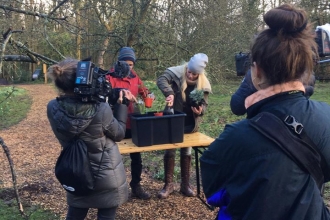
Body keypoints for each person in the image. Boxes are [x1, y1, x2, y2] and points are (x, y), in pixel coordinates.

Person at [200, 4, 330, 219]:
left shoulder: (234, 138)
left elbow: (213, 194)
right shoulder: (326, 116)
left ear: (257, 71)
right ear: (305, 70)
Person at [47, 58, 136, 220]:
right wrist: (122, 106)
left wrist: (111, 95)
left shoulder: (52, 107)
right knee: (106, 215)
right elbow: (119, 134)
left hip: (75, 171)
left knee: (75, 214)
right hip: (106, 176)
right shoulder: (100, 109)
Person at [156, 53, 212, 199]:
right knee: (170, 151)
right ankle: (168, 185)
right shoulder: (176, 72)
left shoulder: (203, 84)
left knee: (186, 152)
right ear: (187, 67)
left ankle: (185, 185)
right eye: (189, 72)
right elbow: (161, 79)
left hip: (190, 123)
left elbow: (204, 105)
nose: (191, 75)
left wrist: (200, 111)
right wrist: (169, 92)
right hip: (173, 119)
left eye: (195, 74)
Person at [106, 47, 152, 200]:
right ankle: (114, 189)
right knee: (112, 157)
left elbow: (143, 91)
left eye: (131, 64)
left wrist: (148, 96)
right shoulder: (110, 76)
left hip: (133, 122)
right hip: (114, 123)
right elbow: (104, 99)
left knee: (136, 157)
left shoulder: (135, 77)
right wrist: (117, 95)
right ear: (119, 62)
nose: (128, 67)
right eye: (125, 63)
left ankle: (136, 186)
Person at [230, 69, 316, 116]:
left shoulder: (256, 73)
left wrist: (251, 76)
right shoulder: (307, 73)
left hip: (264, 127)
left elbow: (237, 107)